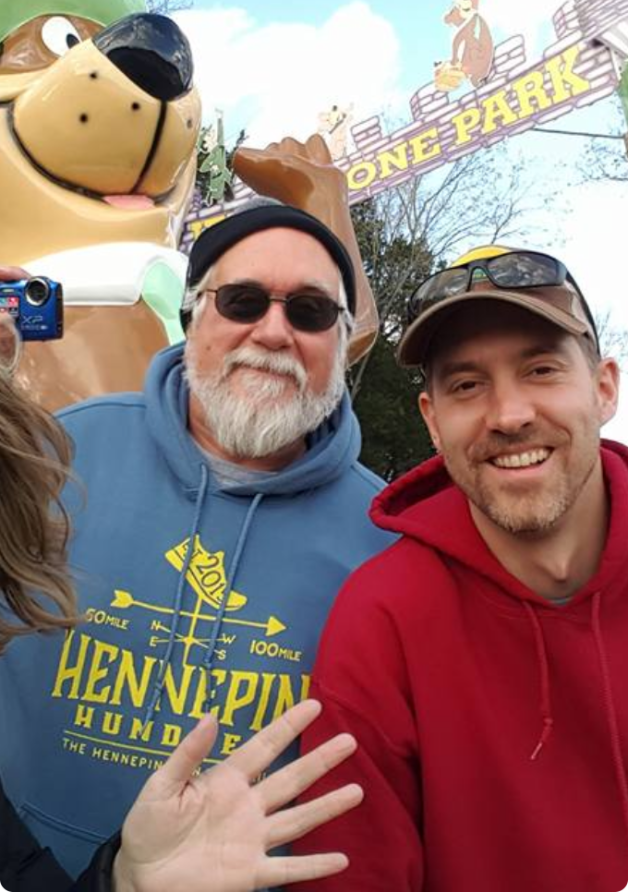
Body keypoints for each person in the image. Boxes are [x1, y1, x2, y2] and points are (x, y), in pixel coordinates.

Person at [0, 202, 390, 877]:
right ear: (190, 316)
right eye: (241, 301)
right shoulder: (49, 453)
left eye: (310, 311)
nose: (273, 332)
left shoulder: (384, 538)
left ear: (343, 339)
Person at [292, 244, 627, 892]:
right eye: (467, 385)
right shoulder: (383, 616)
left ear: (604, 387)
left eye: (541, 370)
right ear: (433, 422)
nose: (509, 415)